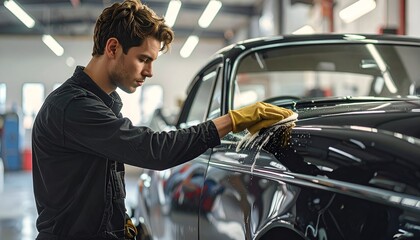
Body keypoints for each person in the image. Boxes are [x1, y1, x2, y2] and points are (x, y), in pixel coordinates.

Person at [31, 0, 293, 239]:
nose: (150, 72)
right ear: (113, 48)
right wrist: (234, 120)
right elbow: (153, 150)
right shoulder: (72, 107)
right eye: (143, 59)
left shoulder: (101, 104)